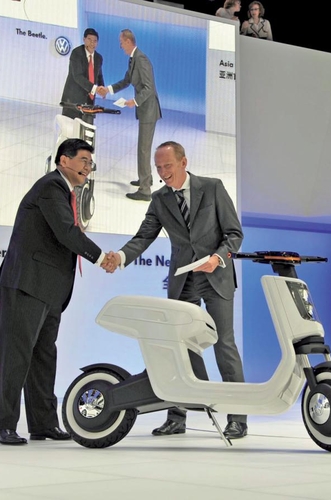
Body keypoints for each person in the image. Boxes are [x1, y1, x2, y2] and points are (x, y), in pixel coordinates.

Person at [104, 141, 248, 439]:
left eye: (167, 165)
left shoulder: (213, 187)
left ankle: (238, 418)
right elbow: (144, 236)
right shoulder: (159, 199)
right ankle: (176, 416)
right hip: (184, 279)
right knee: (177, 347)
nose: (162, 172)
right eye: (158, 167)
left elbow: (234, 234)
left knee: (224, 345)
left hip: (216, 275)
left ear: (183, 162)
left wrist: (217, 258)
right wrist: (120, 256)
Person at [0, 139, 113, 445]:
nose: (88, 168)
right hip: (27, 284)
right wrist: (101, 257)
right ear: (64, 160)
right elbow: (66, 232)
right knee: (15, 357)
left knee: (44, 356)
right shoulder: (51, 186)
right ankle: (3, 424)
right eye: (84, 161)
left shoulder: (64, 191)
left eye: (90, 163)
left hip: (48, 289)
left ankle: (43, 424)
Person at [97, 29, 161, 202]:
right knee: (143, 148)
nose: (120, 46)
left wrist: (135, 101)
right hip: (145, 110)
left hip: (149, 110)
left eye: (121, 42)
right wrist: (108, 90)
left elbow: (149, 87)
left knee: (143, 149)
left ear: (127, 41)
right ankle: (145, 179)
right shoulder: (133, 59)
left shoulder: (141, 59)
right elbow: (126, 81)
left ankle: (145, 190)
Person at [60, 28, 104, 125]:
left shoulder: (98, 58)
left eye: (95, 41)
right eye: (89, 39)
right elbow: (78, 76)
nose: (92, 43)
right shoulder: (76, 53)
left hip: (89, 102)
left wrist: (102, 88)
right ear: (84, 39)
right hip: (73, 100)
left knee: (87, 129)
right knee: (70, 129)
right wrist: (95, 88)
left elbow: (99, 75)